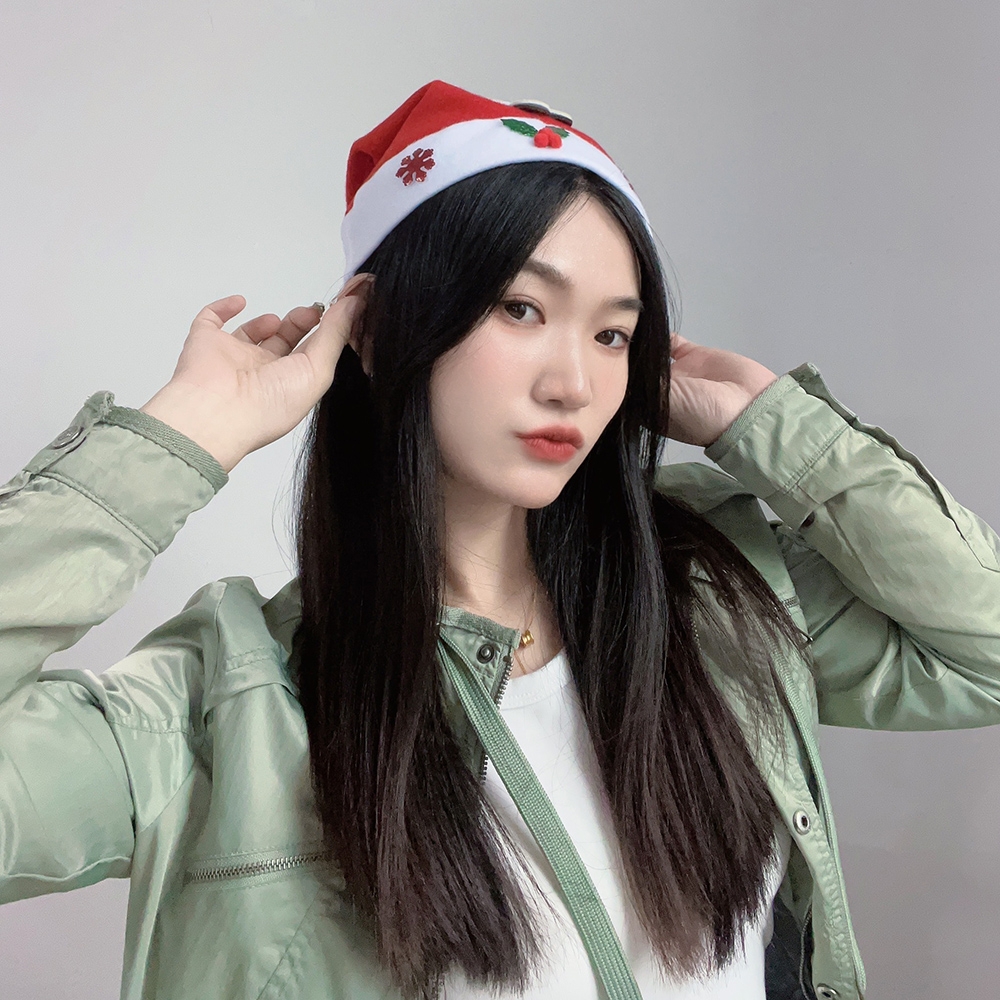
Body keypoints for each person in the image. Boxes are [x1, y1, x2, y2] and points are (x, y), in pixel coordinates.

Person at [2, 79, 999, 1000]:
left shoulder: (718, 595)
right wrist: (178, 441)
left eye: (612, 333)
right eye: (522, 308)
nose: (575, 381)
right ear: (379, 331)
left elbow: (983, 652)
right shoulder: (230, 706)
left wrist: (772, 425)